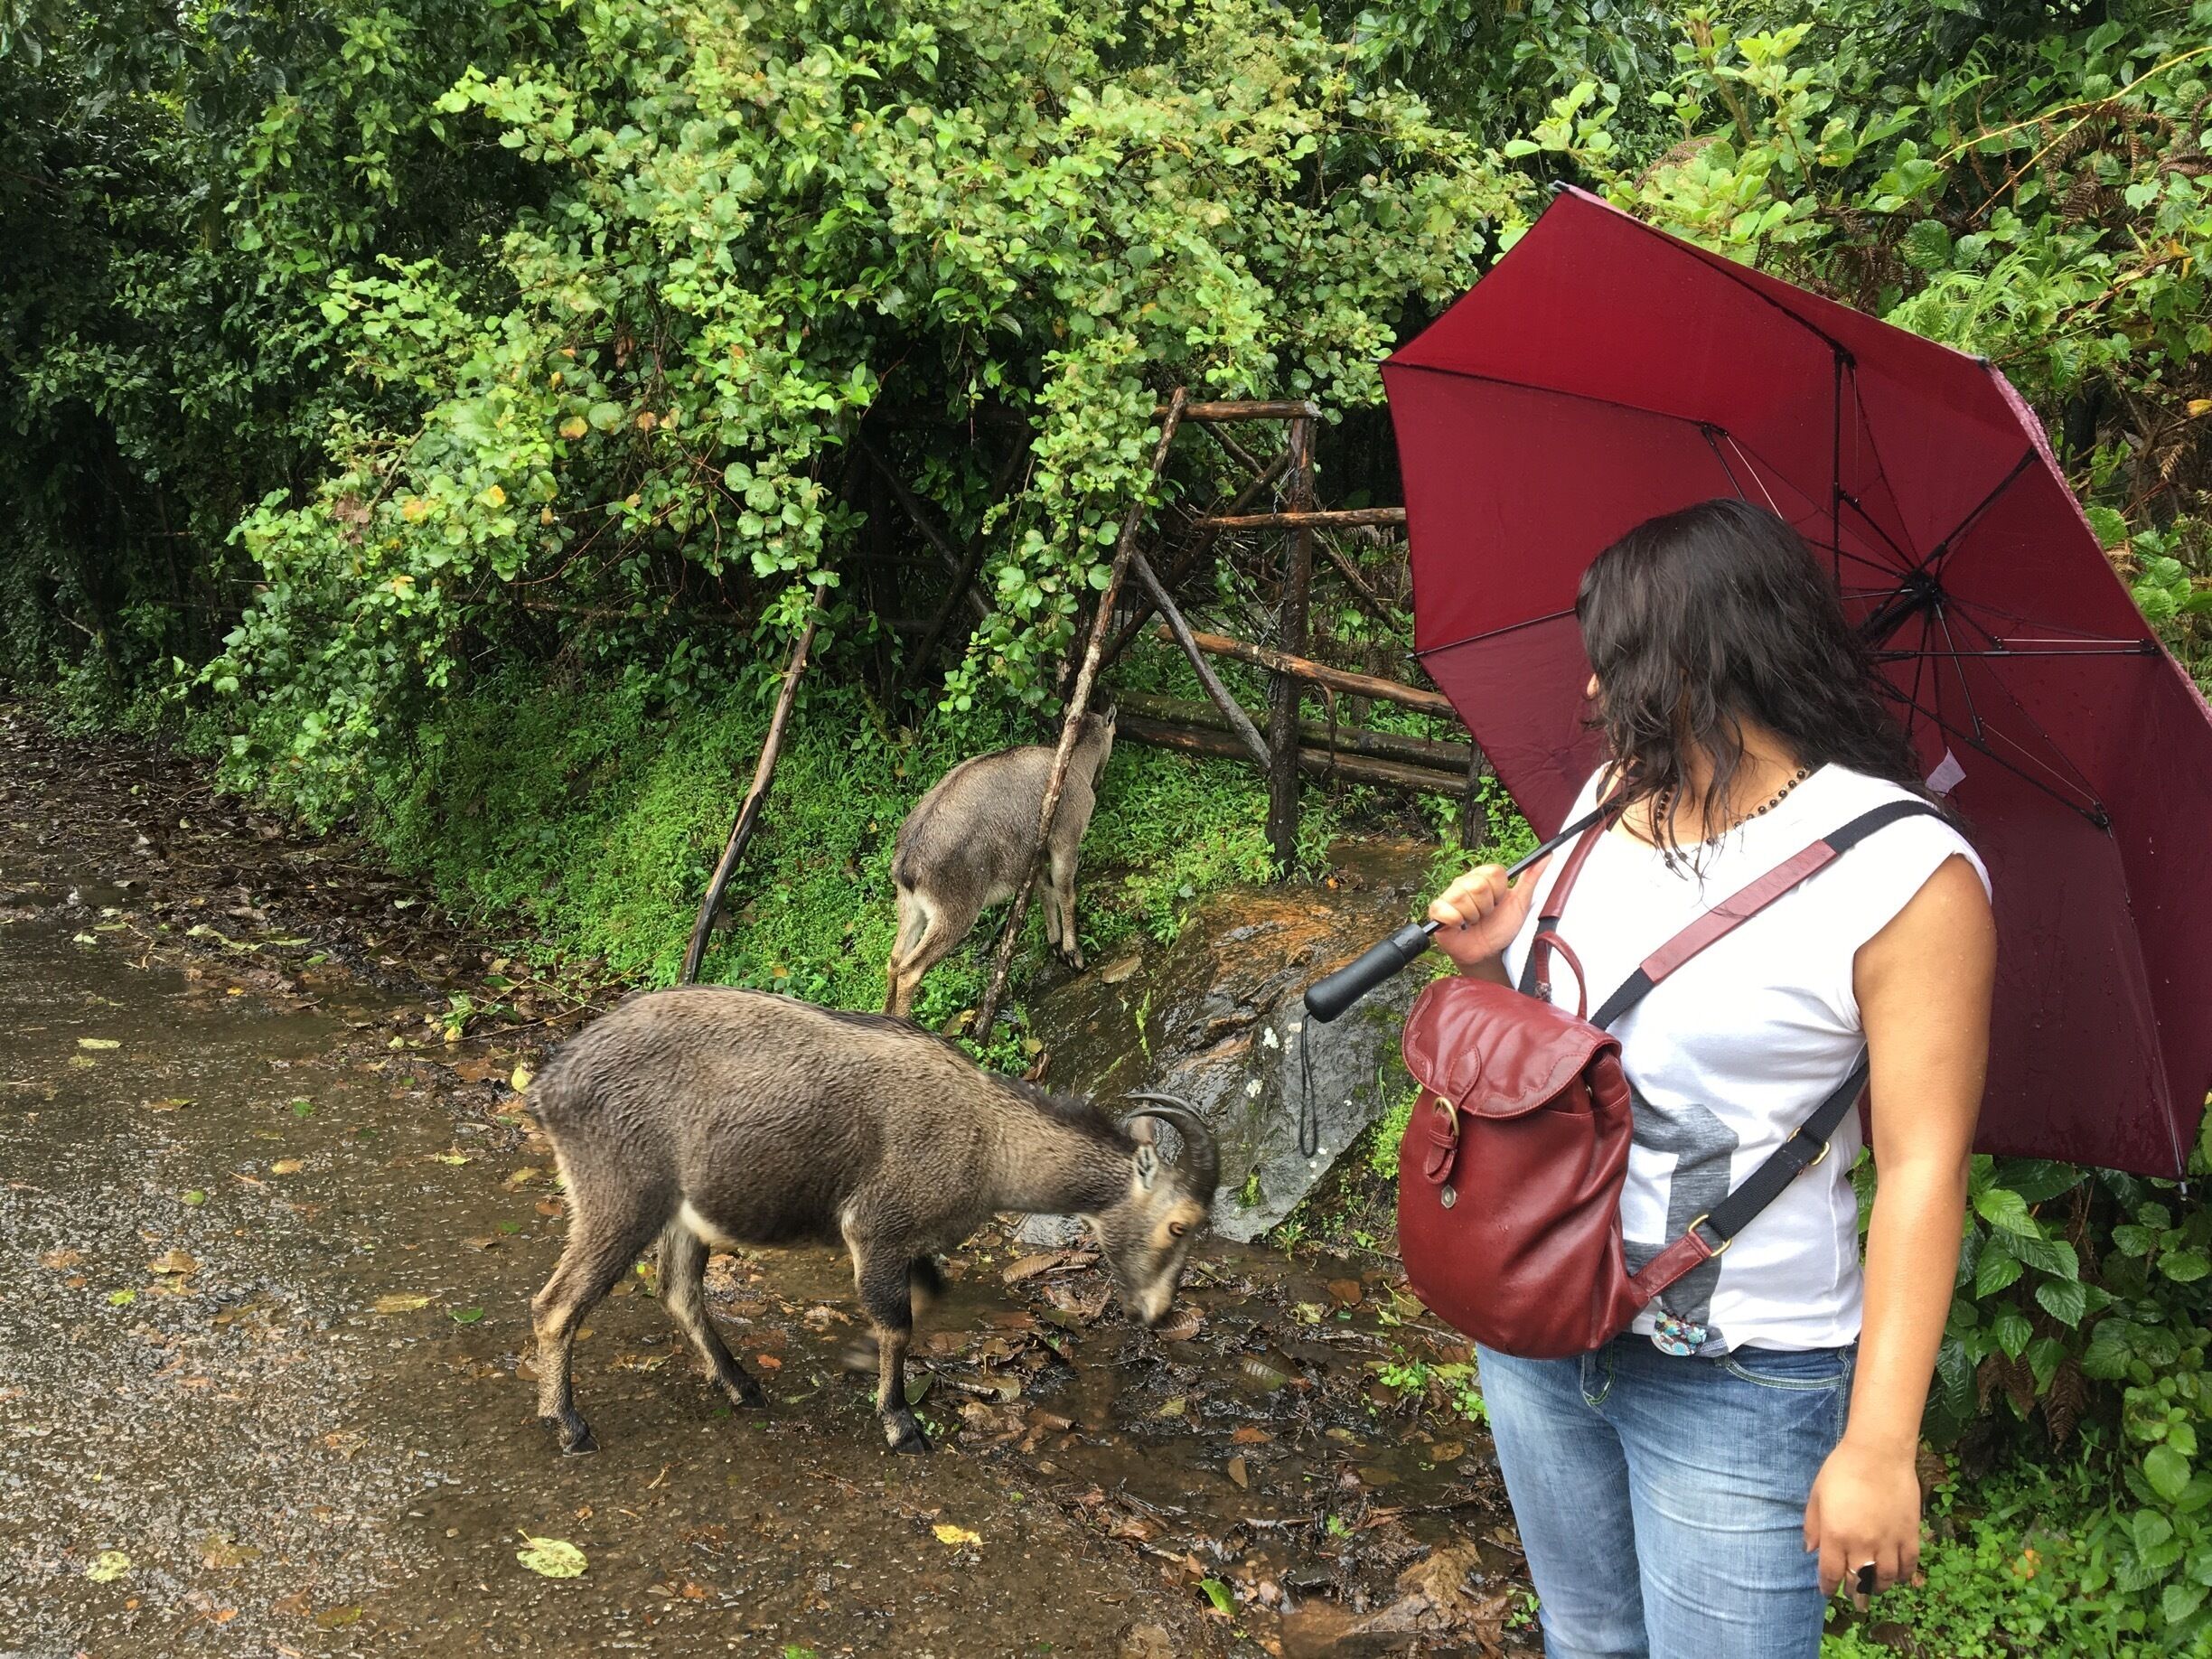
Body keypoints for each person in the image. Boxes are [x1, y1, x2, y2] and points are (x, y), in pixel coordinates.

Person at [1424, 499, 1995, 1658]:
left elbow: (1925, 1170)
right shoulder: (1607, 803)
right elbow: (1570, 1054)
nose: (1591, 694)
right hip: (1542, 1323)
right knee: (1587, 1639)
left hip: (1742, 1375)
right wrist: (1495, 956)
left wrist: (1880, 1444)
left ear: (1697, 659)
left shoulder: (1904, 873)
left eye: (1613, 662)